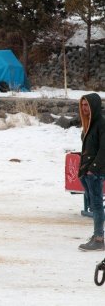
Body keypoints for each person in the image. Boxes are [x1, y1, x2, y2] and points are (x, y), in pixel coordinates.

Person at [78, 93, 105, 251]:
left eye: (87, 105)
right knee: (94, 205)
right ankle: (97, 235)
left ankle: (99, 238)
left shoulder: (101, 124)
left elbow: (103, 149)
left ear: (93, 105)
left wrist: (93, 169)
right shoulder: (88, 124)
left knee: (96, 204)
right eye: (82, 105)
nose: (84, 108)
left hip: (94, 172)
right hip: (88, 171)